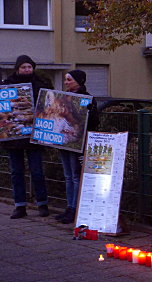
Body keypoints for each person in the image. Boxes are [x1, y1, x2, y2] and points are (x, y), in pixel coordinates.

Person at [1, 55, 51, 219]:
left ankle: (42, 204)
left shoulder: (40, 84)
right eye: (24, 67)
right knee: (16, 172)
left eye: (29, 67)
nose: (27, 70)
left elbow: (49, 107)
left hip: (34, 136)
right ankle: (20, 206)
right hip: (13, 138)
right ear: (17, 68)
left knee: (37, 171)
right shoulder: (6, 85)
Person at [57, 69, 99, 224]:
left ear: (79, 81)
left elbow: (94, 122)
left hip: (77, 143)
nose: (66, 82)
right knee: (68, 176)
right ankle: (69, 207)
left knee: (75, 176)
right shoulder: (63, 98)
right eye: (66, 80)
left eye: (70, 80)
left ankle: (74, 209)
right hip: (64, 141)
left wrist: (90, 113)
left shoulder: (87, 99)